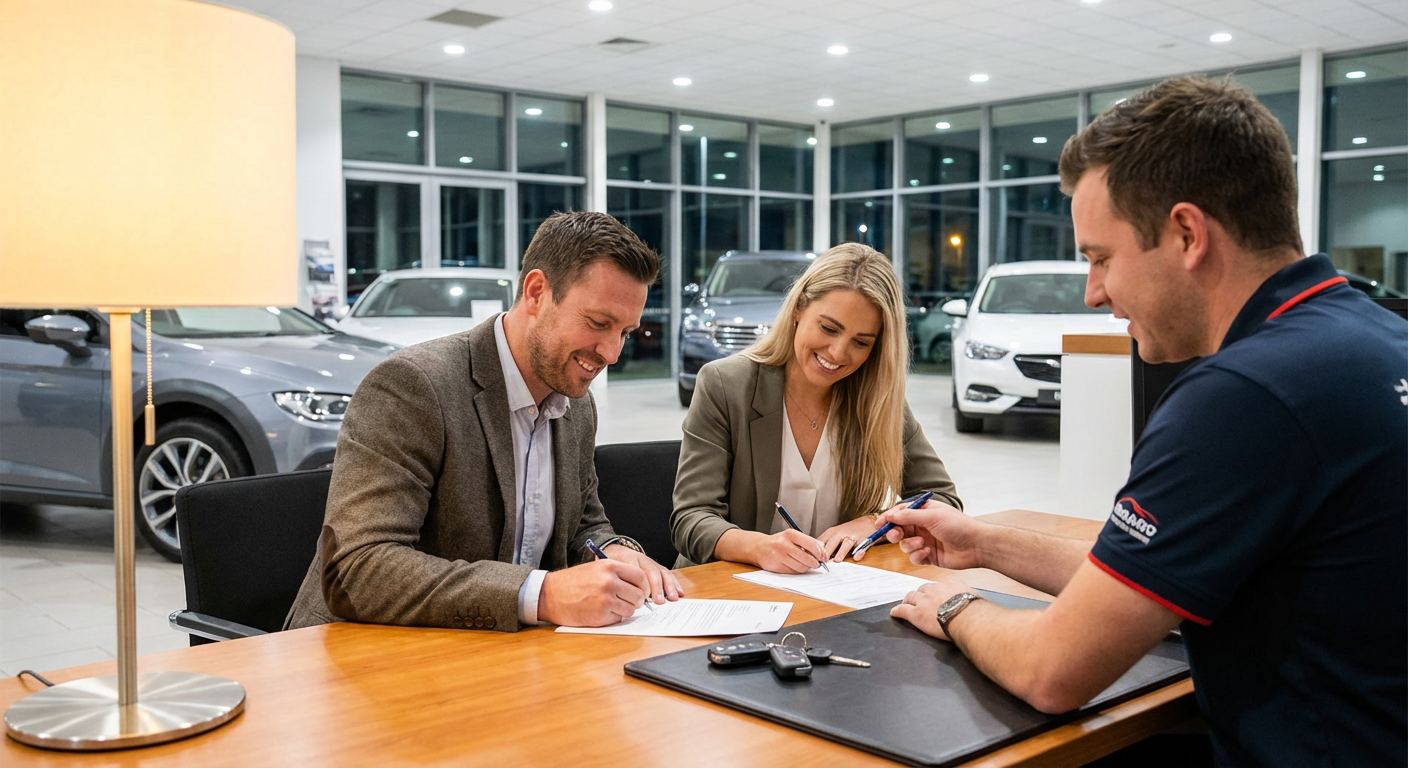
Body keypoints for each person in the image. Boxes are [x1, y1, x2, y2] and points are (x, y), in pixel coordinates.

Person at [884, 76, 1407, 766]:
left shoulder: (1242, 395)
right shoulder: (1374, 340)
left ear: (1187, 233)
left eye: (1100, 258)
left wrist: (954, 609)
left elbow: (1053, 671)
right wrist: (982, 545)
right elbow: (1151, 576)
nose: (1094, 291)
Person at [285, 211, 682, 632]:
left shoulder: (574, 401)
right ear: (536, 292)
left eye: (625, 332)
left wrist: (614, 550)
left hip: (493, 655)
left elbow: (584, 524)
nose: (612, 353)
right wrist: (541, 594)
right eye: (599, 323)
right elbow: (358, 568)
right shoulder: (413, 387)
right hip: (360, 660)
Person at [671, 243, 962, 573]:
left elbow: (942, 499)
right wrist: (758, 547)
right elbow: (690, 519)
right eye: (828, 328)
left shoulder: (877, 400)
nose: (838, 353)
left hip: (827, 594)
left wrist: (874, 523)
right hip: (728, 591)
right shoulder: (725, 384)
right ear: (797, 309)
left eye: (861, 342)